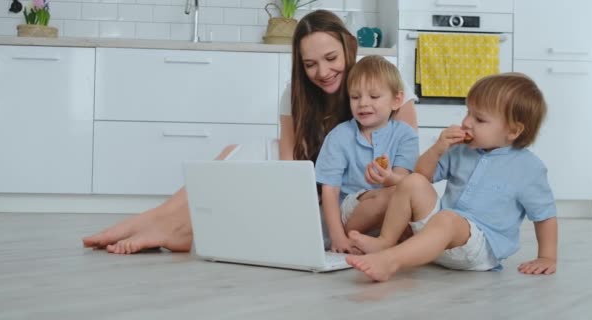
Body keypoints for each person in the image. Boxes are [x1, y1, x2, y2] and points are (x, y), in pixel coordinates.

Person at [82, 10, 419, 254]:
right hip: (310, 177)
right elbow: (289, 159)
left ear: (347, 47)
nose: (323, 72)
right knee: (234, 152)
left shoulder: (380, 82)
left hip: (353, 185)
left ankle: (172, 229)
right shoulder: (296, 92)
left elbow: (405, 149)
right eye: (310, 64)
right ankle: (154, 220)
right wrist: (297, 200)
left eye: (331, 58)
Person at [346, 72, 558, 281]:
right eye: (468, 113)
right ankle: (385, 242)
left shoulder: (528, 168)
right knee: (413, 183)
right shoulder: (460, 150)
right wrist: (438, 148)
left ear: (513, 131)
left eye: (479, 119)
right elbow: (421, 176)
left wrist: (546, 257)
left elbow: (544, 215)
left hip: (478, 249)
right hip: (440, 233)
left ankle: (390, 261)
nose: (466, 122)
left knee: (448, 219)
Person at [315, 55, 418, 254]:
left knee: (408, 195)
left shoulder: (406, 135)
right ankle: (358, 240)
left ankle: (385, 244)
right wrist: (337, 238)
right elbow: (330, 192)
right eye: (355, 97)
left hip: (392, 207)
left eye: (374, 96)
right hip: (351, 211)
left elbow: (404, 180)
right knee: (391, 196)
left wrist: (390, 178)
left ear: (396, 100)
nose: (362, 103)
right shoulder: (339, 136)